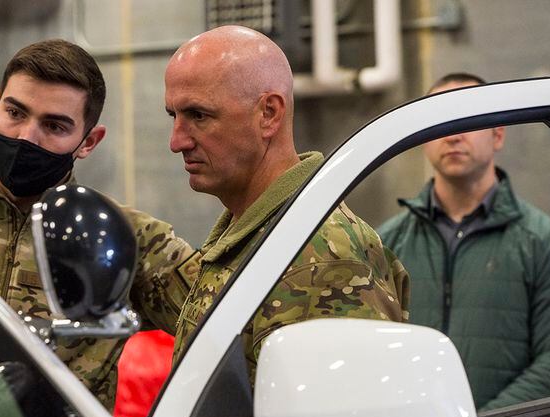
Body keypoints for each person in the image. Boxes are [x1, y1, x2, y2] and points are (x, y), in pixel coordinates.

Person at [0, 39, 195, 417]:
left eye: (54, 125)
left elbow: (227, 330)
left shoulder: (127, 239)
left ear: (89, 141)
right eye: (15, 112)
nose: (26, 137)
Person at [164, 25, 409, 382]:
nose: (177, 141)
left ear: (268, 114)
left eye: (199, 115)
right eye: (174, 116)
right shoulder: (264, 231)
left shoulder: (319, 255)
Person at [378, 73, 550, 411]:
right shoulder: (386, 243)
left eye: (468, 120)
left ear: (498, 134)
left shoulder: (549, 245)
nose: (453, 134)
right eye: (439, 122)